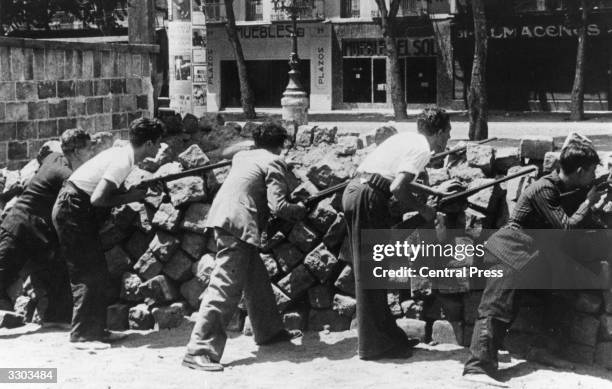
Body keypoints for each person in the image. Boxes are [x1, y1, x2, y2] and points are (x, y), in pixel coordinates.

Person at [463, 140, 607, 387]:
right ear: (580, 171)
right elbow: (565, 228)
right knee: (496, 309)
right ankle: (477, 367)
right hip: (509, 253)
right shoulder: (545, 189)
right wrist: (589, 203)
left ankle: (543, 350)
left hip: (530, 258)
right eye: (593, 171)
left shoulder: (565, 187)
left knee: (563, 290)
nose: (594, 175)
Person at [182, 120, 307, 372]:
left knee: (256, 280)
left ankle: (268, 331)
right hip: (238, 225)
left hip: (225, 218)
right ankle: (199, 350)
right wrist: (300, 209)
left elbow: (227, 151)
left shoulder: (243, 156)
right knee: (225, 287)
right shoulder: (273, 161)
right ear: (280, 146)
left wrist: (254, 143)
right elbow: (279, 207)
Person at [342, 107, 454, 360]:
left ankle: (387, 337)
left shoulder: (407, 138)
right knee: (370, 271)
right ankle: (372, 346)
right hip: (368, 196)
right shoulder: (423, 148)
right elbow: (396, 187)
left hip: (359, 190)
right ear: (437, 132)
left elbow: (392, 175)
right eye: (447, 133)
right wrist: (424, 209)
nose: (448, 139)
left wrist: (431, 191)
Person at [52, 118, 163, 350]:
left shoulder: (123, 155)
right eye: (158, 143)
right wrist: (132, 197)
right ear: (150, 143)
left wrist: (133, 192)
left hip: (75, 207)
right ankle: (82, 336)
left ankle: (96, 331)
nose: (159, 148)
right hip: (72, 209)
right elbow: (98, 198)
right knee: (87, 272)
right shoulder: (123, 160)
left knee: (97, 271)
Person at [0, 129, 93, 326]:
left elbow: (45, 155)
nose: (91, 153)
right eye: (88, 149)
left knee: (59, 272)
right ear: (76, 151)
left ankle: (57, 319)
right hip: (21, 227)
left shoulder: (54, 157)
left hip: (40, 234)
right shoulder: (67, 174)